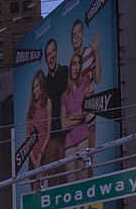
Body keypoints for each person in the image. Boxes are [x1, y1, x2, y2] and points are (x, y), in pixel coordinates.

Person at [71, 19, 103, 147]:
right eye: (74, 34)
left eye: (79, 32)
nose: (77, 36)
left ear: (83, 34)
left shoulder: (90, 52)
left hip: (89, 104)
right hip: (76, 107)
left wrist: (96, 52)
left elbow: (98, 79)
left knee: (91, 133)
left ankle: (90, 166)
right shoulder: (72, 61)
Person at [61, 53, 92, 181]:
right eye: (74, 63)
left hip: (83, 139)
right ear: (70, 67)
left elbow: (87, 109)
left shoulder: (85, 82)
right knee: (71, 187)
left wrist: (71, 118)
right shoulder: (64, 95)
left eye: (78, 64)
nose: (76, 67)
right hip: (68, 144)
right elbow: (63, 125)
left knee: (83, 185)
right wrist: (78, 116)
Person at [42, 38, 69, 181]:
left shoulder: (65, 71)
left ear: (56, 52)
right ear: (46, 59)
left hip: (67, 133)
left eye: (53, 51)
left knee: (65, 174)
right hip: (52, 136)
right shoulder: (45, 81)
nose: (51, 56)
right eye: (48, 54)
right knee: (52, 176)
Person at [26, 70, 52, 171]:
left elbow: (48, 132)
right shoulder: (30, 110)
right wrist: (33, 160)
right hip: (32, 157)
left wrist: (40, 157)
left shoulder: (48, 103)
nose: (35, 90)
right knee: (34, 186)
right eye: (33, 87)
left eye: (37, 86)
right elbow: (28, 137)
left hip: (44, 154)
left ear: (42, 86)